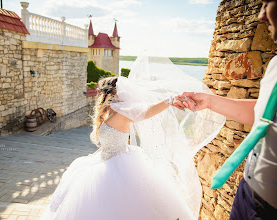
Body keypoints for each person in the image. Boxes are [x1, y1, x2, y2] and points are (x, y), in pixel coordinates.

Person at [39, 56, 226, 219]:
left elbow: (146, 111)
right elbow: (109, 141)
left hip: (118, 168)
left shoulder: (123, 114)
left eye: (102, 93)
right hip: (104, 161)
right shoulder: (109, 114)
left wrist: (169, 100)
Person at [174, 1, 277, 219]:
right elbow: (264, 114)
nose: (260, 16)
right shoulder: (275, 65)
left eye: (267, 3)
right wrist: (210, 101)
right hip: (247, 193)